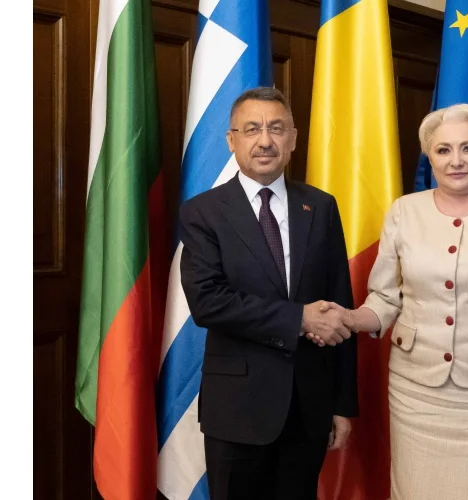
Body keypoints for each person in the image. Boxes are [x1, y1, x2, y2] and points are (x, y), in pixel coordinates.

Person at [307, 103, 468, 499]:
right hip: (417, 394)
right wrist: (350, 318)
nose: (456, 161)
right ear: (430, 157)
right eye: (443, 150)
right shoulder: (404, 212)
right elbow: (384, 299)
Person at [178, 86, 358, 500]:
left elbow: (340, 305)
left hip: (309, 408)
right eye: (252, 129)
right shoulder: (203, 212)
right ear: (232, 140)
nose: (265, 140)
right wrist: (300, 319)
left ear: (293, 138)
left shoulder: (321, 206)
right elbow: (208, 302)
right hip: (238, 409)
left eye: (276, 129)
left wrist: (342, 403)